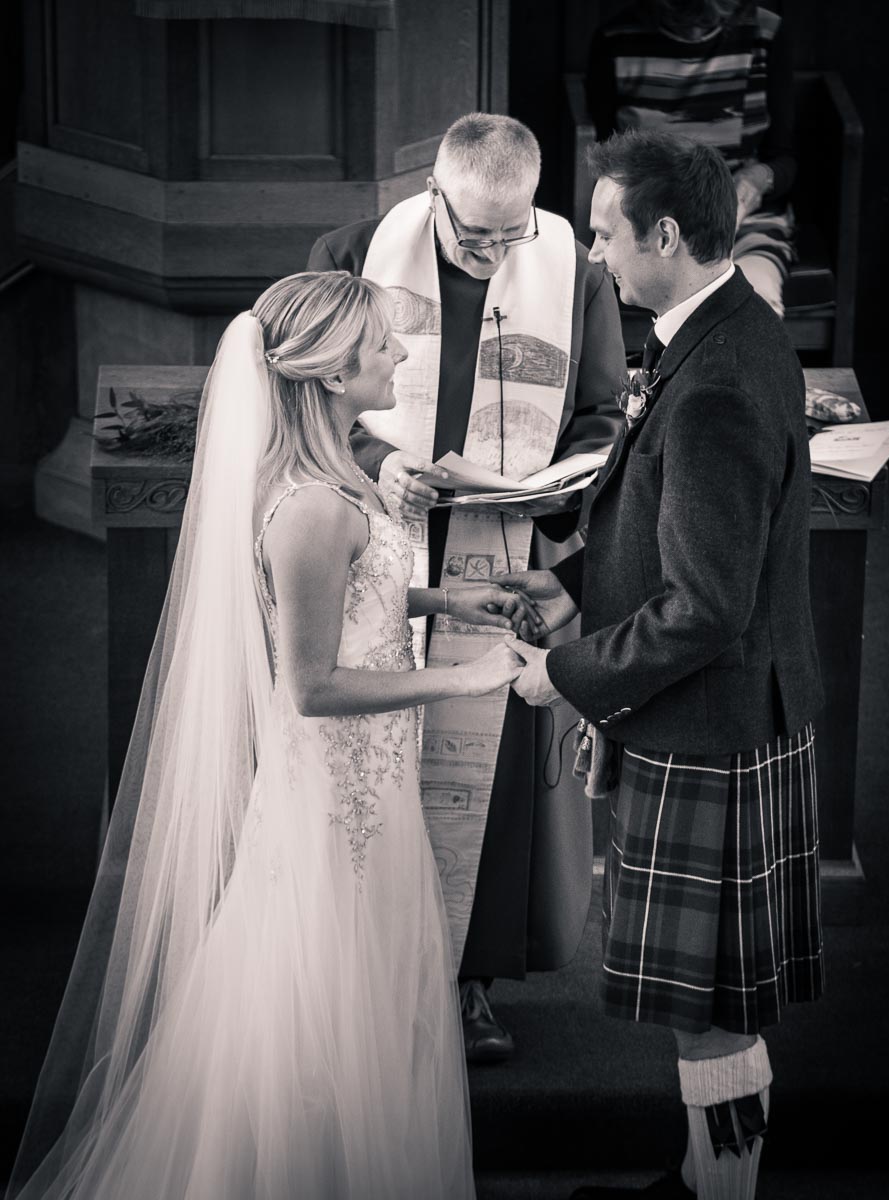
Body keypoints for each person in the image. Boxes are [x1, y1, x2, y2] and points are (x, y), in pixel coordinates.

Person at [6, 271, 534, 1200]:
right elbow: (313, 684)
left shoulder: (335, 479)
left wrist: (445, 600)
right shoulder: (310, 506)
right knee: (319, 1010)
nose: (400, 356)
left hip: (368, 787)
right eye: (381, 344)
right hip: (333, 802)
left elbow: (354, 595)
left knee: (361, 998)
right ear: (331, 372)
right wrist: (466, 676)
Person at [497, 130, 824, 1199]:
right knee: (712, 1000)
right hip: (727, 714)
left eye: (606, 234)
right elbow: (678, 529)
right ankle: (699, 1183)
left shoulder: (718, 377)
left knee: (709, 1010)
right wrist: (576, 584)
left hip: (709, 724)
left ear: (667, 235)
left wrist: (570, 673)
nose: (594, 254)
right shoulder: (725, 328)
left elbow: (707, 607)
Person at [307, 113, 626, 1062]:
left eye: (509, 235)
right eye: (472, 234)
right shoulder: (355, 255)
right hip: (377, 537)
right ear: (433, 194)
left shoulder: (573, 271)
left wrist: (549, 490)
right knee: (368, 764)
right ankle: (356, 976)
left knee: (487, 774)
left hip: (504, 542)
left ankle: (467, 980)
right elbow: (306, 395)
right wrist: (378, 461)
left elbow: (603, 414)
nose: (490, 255)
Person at [585, 0, 795, 316]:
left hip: (744, 225)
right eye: (681, 17)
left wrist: (755, 181)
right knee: (678, 303)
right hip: (649, 223)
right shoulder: (616, 40)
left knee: (754, 305)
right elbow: (610, 163)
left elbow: (784, 158)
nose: (696, 33)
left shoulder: (765, 35)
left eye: (708, 19)